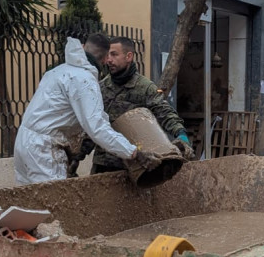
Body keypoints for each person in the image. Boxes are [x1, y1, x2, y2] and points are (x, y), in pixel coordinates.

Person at [13, 34, 159, 184]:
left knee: (26, 202)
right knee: (50, 203)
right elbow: (97, 128)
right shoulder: (84, 80)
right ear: (104, 60)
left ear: (83, 48)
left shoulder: (57, 72)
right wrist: (133, 152)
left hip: (23, 142)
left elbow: (95, 119)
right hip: (44, 150)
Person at [72, 36, 194, 176]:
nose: (109, 60)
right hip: (103, 166)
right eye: (108, 55)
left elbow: (164, 113)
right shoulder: (100, 88)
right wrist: (77, 157)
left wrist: (181, 134)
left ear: (128, 56)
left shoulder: (144, 88)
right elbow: (92, 126)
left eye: (114, 54)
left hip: (135, 167)